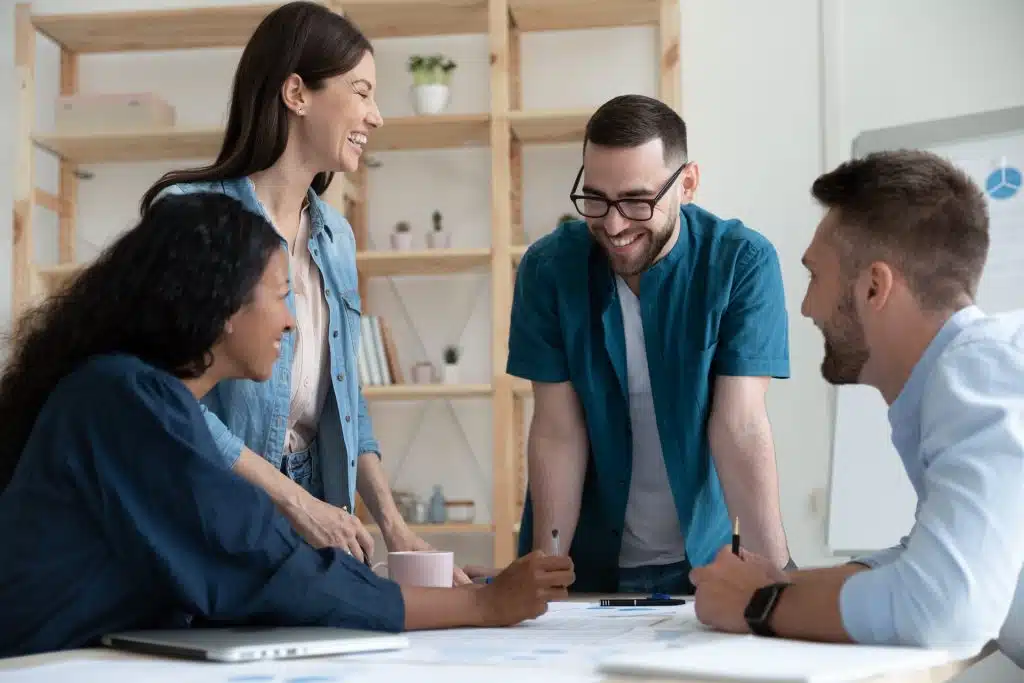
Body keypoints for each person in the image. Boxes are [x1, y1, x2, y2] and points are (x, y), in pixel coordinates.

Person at [0, 192, 575, 658]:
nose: (292, 322)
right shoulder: (125, 400)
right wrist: (484, 607)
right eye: (281, 295)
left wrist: (437, 592)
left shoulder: (143, 399)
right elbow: (266, 563)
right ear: (222, 308)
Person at [137, 1, 468, 582]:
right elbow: (162, 397)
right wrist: (290, 500)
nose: (377, 115)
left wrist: (392, 525)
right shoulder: (194, 217)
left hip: (322, 501)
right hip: (220, 502)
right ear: (297, 93)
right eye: (361, 91)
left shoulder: (336, 236)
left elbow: (346, 395)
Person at [689, 149, 1024, 668]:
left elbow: (947, 606)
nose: (806, 308)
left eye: (815, 277)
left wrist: (760, 604)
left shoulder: (980, 374)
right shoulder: (977, 373)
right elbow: (930, 559)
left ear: (874, 287)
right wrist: (783, 582)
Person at [506, 94, 792, 595]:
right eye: (595, 199)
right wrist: (546, 567)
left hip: (703, 564)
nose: (613, 226)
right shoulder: (548, 269)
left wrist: (776, 575)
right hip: (587, 563)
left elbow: (740, 424)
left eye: (637, 202)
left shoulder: (741, 262)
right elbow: (557, 428)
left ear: (687, 184)